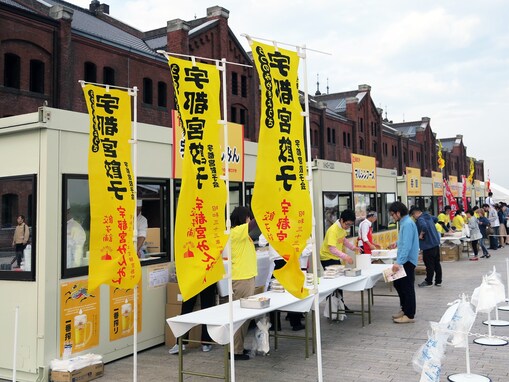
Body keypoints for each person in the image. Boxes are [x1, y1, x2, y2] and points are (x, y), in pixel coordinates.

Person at [259, 234, 311, 331]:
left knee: (275, 293)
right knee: (292, 291)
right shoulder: (290, 223)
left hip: (277, 260)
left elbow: (261, 242)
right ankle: (295, 322)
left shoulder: (270, 224)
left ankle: (275, 324)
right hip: (289, 260)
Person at [229, 206, 258, 361]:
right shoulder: (236, 231)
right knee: (240, 316)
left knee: (244, 316)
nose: (249, 219)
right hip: (241, 278)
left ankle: (238, 348)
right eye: (248, 216)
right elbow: (254, 224)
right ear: (243, 218)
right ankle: (234, 351)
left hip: (247, 277)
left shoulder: (240, 233)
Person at [320, 209, 360, 313]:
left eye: (350, 225)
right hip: (327, 258)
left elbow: (344, 240)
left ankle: (340, 305)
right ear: (341, 220)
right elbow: (332, 248)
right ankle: (333, 309)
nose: (347, 227)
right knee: (333, 284)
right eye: (347, 224)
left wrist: (353, 248)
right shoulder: (333, 230)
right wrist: (346, 257)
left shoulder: (342, 227)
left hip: (334, 257)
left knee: (339, 283)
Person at [388, 202, 419, 324]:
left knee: (407, 288)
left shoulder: (407, 224)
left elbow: (407, 245)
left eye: (393, 214)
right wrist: (396, 243)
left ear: (398, 213)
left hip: (407, 261)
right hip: (404, 260)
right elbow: (404, 240)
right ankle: (404, 308)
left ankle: (409, 314)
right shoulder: (405, 223)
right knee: (398, 284)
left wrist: (398, 262)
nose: (392, 217)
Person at [168, 283, 217, 354]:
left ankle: (181, 343)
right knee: (206, 309)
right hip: (207, 276)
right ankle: (206, 343)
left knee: (187, 310)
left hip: (193, 278)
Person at [409, 207, 442, 288]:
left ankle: (429, 281)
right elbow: (436, 219)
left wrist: (421, 234)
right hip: (435, 244)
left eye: (413, 215)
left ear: (416, 213)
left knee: (429, 264)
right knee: (436, 263)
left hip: (428, 245)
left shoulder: (420, 219)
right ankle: (438, 281)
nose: (414, 217)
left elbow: (424, 227)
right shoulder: (428, 216)